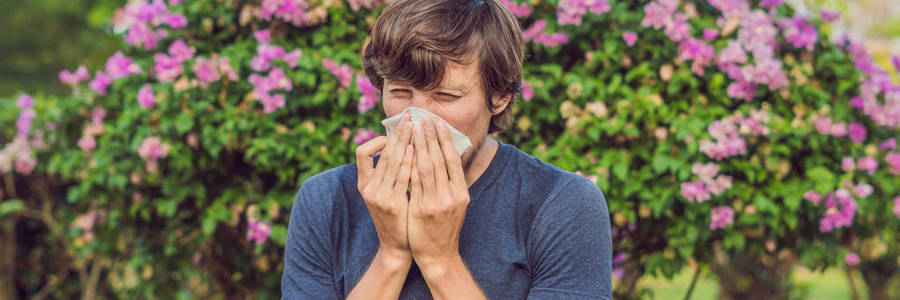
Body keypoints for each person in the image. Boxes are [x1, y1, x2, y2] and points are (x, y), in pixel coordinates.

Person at [281, 0, 612, 299]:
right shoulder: (326, 200)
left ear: (499, 97)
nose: (417, 119)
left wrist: (439, 259)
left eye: (445, 96)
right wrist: (393, 254)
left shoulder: (562, 204)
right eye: (400, 91)